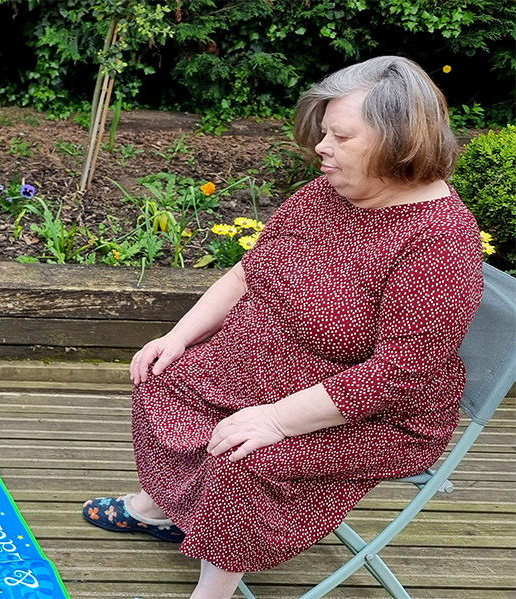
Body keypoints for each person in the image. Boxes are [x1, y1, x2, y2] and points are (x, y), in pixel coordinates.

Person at [81, 55, 484, 598]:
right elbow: (246, 272)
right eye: (325, 133)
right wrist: (177, 336)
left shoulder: (439, 242)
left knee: (244, 454)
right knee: (162, 374)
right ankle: (165, 505)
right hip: (266, 364)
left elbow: (398, 373)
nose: (322, 147)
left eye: (341, 136)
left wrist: (274, 419)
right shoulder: (327, 193)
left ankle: (215, 586)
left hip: (372, 410)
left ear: (399, 143)